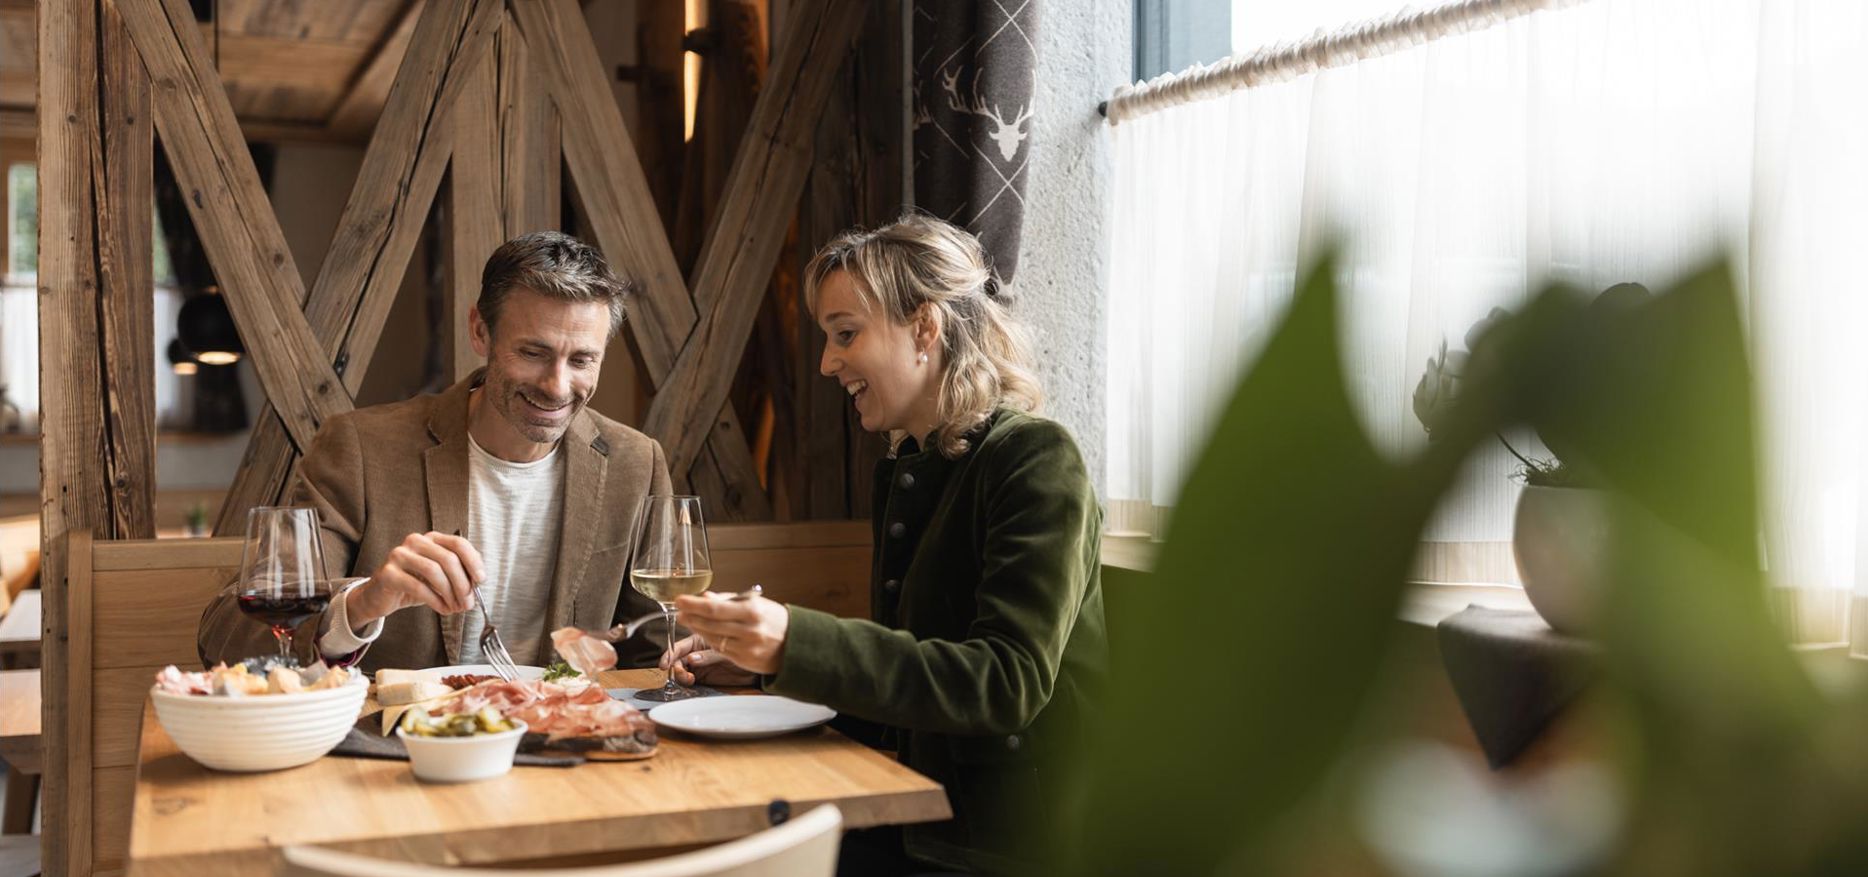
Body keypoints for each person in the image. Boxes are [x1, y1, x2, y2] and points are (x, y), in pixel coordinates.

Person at [663, 215, 1107, 876]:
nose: (826, 361)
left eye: (846, 334)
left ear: (925, 327)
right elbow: (909, 687)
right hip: (915, 811)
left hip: (1005, 844)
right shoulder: (910, 468)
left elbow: (1006, 683)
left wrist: (795, 642)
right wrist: (767, 664)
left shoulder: (1036, 458)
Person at [199, 231, 672, 671]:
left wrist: (725, 657)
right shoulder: (361, 448)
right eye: (533, 353)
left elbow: (659, 651)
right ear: (480, 332)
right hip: (397, 749)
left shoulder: (635, 462)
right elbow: (224, 637)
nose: (557, 385)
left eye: (582, 360)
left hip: (569, 745)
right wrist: (364, 602)